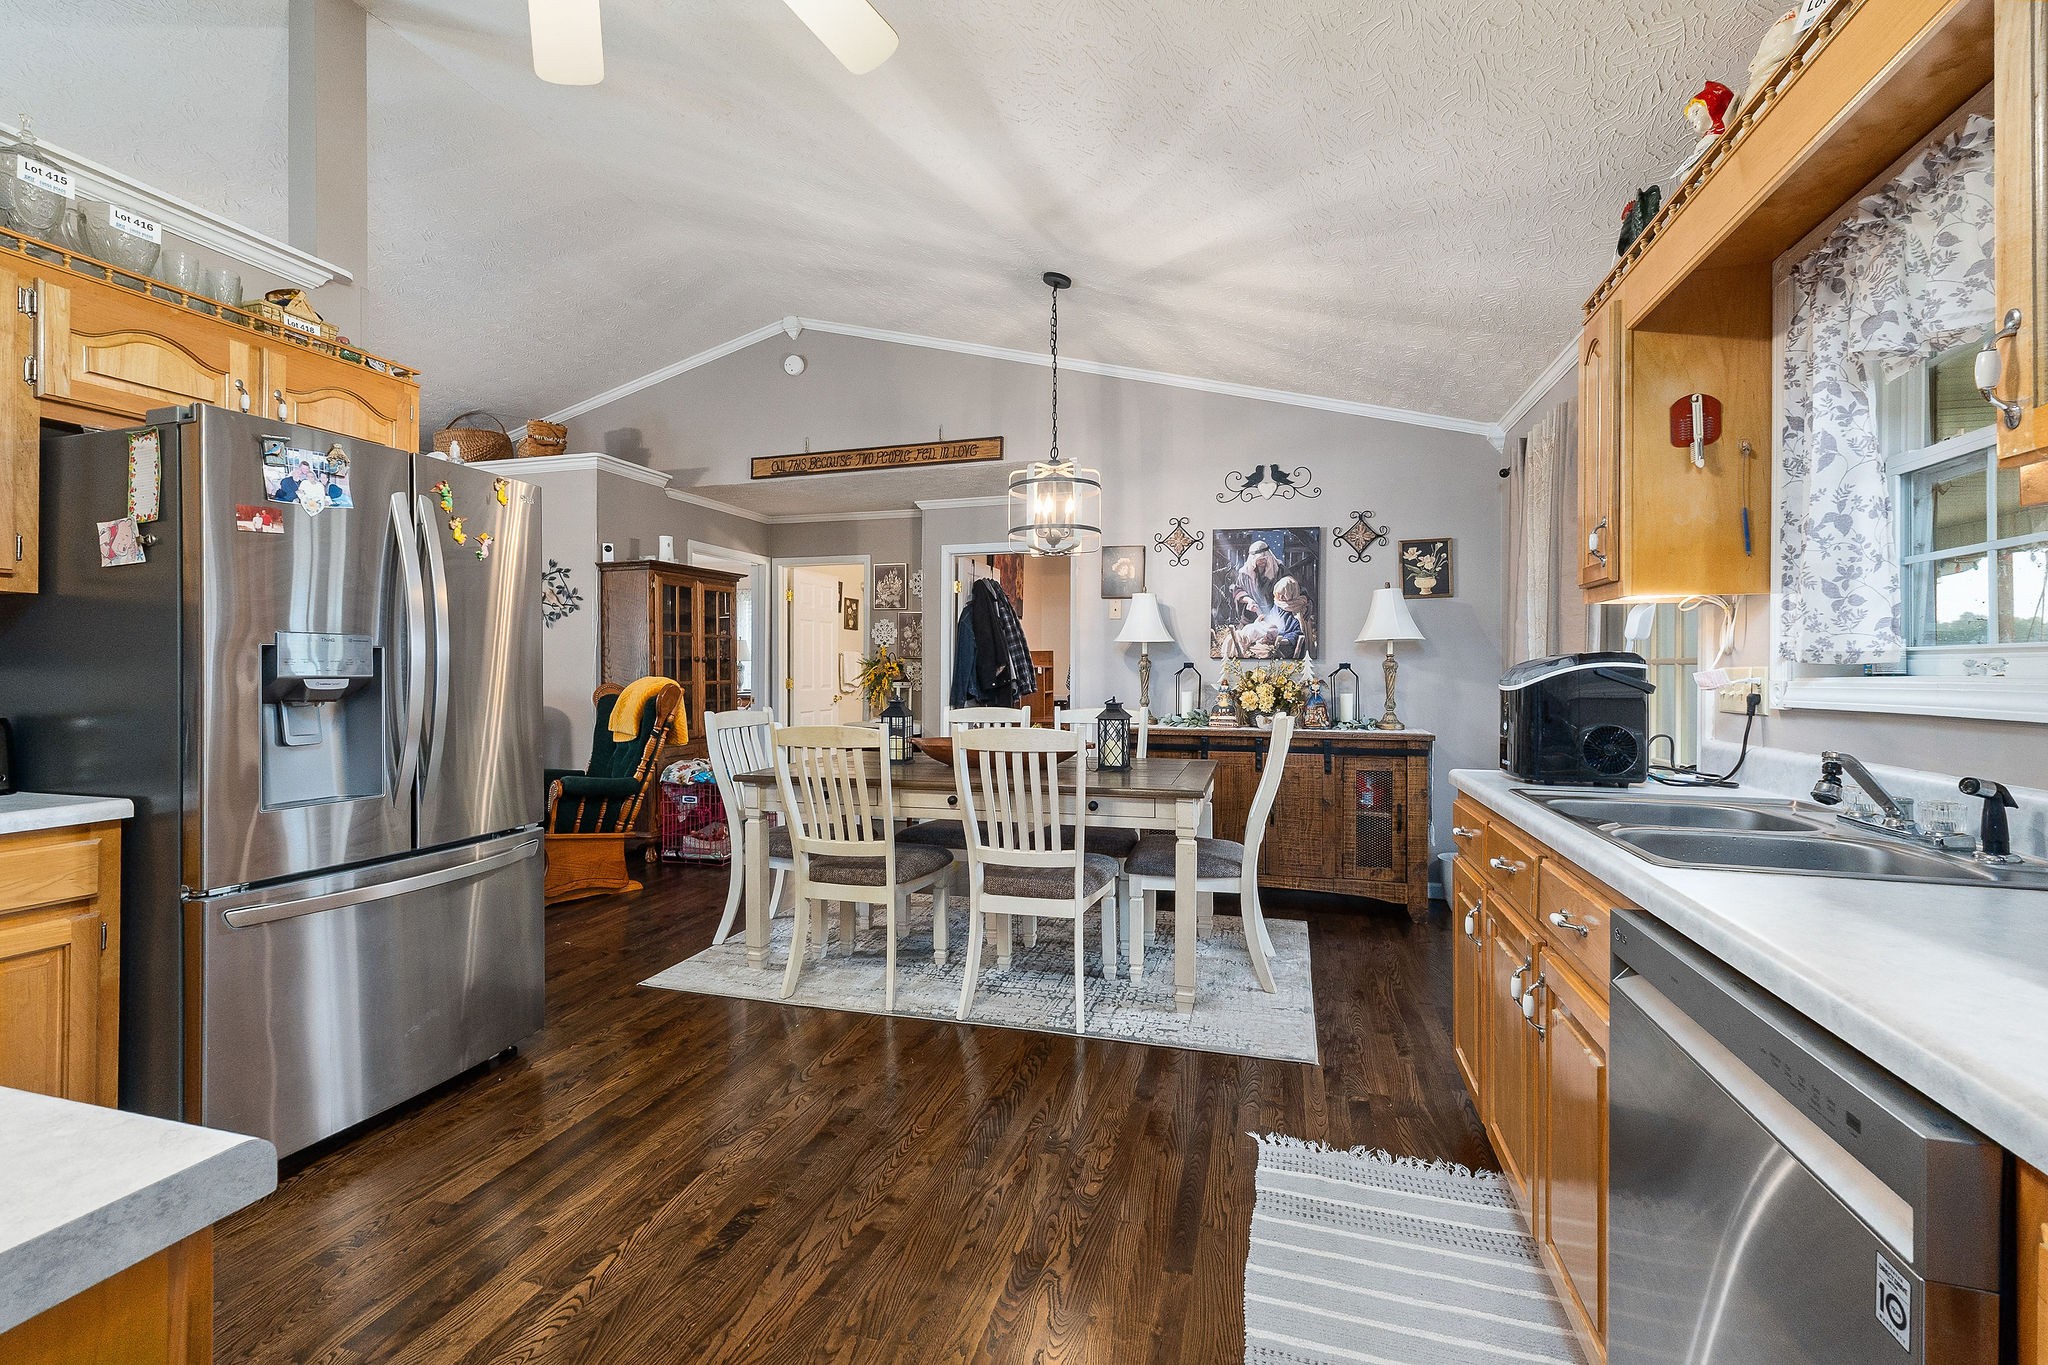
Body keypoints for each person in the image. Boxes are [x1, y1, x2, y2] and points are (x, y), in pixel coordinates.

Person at [1271, 576, 1316, 659]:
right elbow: (1270, 620)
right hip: (1273, 638)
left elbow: (1298, 632)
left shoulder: (1299, 607)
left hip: (1288, 646)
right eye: (1279, 594)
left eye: (1283, 595)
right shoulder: (1278, 604)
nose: (1280, 598)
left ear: (1291, 593)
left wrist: (1285, 640)